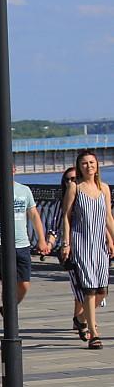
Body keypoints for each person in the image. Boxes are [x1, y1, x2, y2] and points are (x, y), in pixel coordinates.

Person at [0, 162, 50, 313]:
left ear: (15, 170)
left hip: (22, 243)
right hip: (1, 243)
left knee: (24, 283)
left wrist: (41, 239)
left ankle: (9, 307)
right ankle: (10, 316)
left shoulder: (24, 191)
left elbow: (34, 215)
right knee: (7, 283)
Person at [60, 150, 114, 349]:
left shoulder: (104, 189)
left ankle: (81, 318)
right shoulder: (75, 187)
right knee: (89, 290)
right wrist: (66, 243)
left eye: (92, 162)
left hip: (99, 244)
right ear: (79, 166)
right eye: (84, 163)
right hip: (81, 243)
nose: (89, 166)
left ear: (97, 165)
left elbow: (108, 217)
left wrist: (112, 239)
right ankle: (94, 333)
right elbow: (66, 216)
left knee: (102, 291)